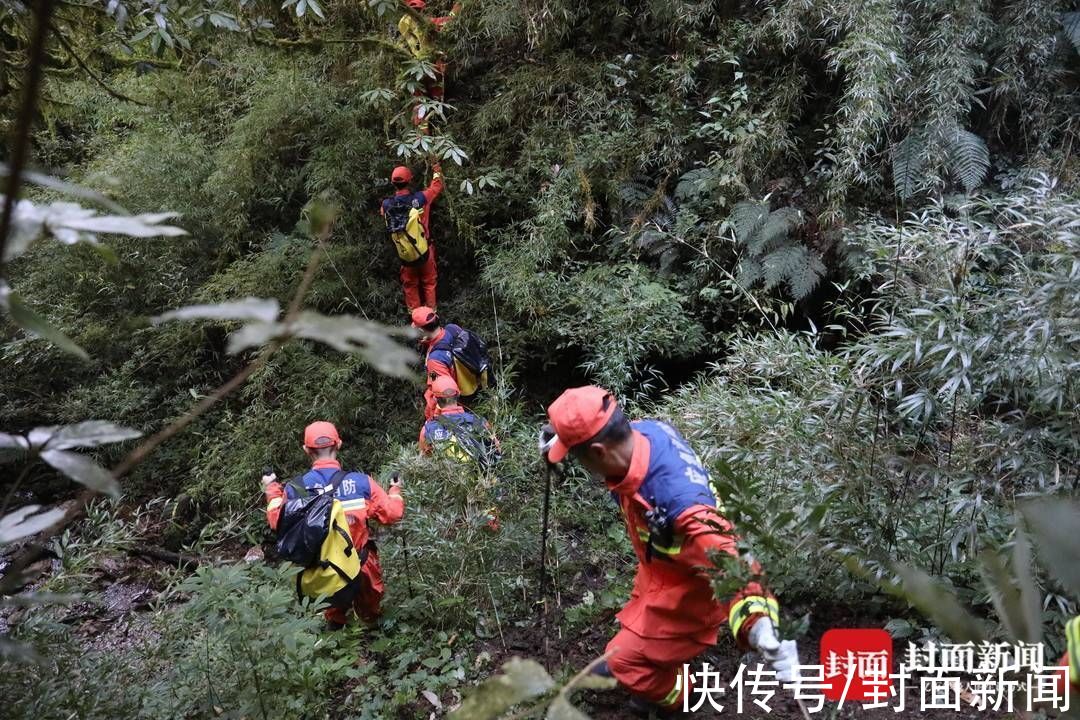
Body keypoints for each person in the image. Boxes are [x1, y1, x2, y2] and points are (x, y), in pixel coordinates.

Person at [539, 386, 799, 715]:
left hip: (690, 589)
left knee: (626, 666)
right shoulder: (646, 433)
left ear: (601, 452)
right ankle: (647, 657)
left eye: (577, 456)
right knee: (625, 648)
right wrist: (557, 436)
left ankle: (683, 693)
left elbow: (729, 558)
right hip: (661, 568)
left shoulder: (679, 501)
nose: (580, 465)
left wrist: (760, 625)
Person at [262, 421, 405, 629]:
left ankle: (337, 640)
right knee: (371, 618)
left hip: (324, 570)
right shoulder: (361, 483)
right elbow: (392, 514)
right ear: (338, 444)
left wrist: (272, 488)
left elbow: (277, 521)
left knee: (334, 619)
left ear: (306, 450)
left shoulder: (296, 488)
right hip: (361, 565)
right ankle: (374, 640)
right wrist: (395, 491)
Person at [381, 163, 443, 311]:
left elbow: (383, 213)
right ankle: (431, 318)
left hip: (405, 255)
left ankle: (416, 322)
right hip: (424, 250)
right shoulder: (421, 198)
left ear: (393, 183)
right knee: (429, 283)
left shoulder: (386, 205)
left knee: (410, 285)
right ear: (410, 181)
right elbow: (436, 187)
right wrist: (437, 171)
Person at [398, 0, 461, 132]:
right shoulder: (426, 23)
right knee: (435, 102)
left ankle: (423, 136)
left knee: (420, 103)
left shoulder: (402, 24)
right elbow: (448, 21)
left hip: (413, 70)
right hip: (432, 68)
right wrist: (458, 5)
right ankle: (433, 132)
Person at [419, 375, 501, 467]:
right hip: (481, 477)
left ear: (436, 400)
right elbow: (496, 450)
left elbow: (426, 464)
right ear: (458, 395)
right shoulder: (478, 422)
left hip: (448, 478)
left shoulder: (428, 429)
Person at [411, 306, 475, 420]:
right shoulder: (453, 328)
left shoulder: (434, 361)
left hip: (460, 396)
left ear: (420, 330)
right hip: (473, 377)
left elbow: (441, 391)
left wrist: (430, 418)